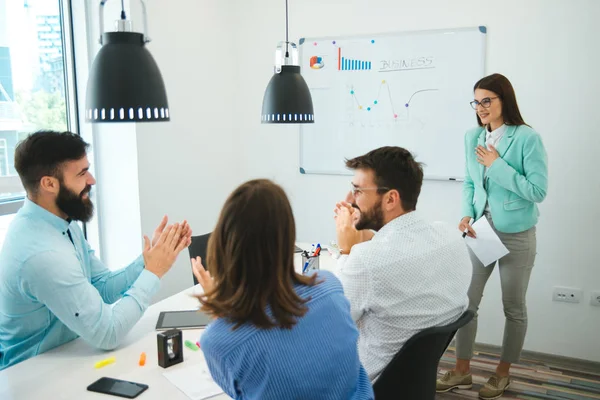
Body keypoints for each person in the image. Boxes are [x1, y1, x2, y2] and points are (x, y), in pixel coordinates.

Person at [0, 130, 191, 370]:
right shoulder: (42, 254)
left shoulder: (58, 223)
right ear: (49, 183)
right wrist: (153, 273)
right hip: (32, 374)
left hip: (69, 356)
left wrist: (148, 260)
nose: (92, 180)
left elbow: (101, 286)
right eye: (81, 173)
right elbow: (107, 334)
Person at [191, 179, 374, 400]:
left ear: (222, 242)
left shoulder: (217, 341)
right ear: (288, 237)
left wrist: (224, 311)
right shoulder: (330, 286)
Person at [436, 73, 548, 399]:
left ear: (504, 101)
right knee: (465, 303)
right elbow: (470, 182)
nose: (481, 107)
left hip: (517, 234)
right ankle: (461, 370)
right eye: (477, 101)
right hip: (480, 231)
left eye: (488, 100)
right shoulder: (472, 135)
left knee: (513, 307)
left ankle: (502, 374)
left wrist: (497, 165)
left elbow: (537, 190)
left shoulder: (527, 138)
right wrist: (465, 213)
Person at [333, 146, 472, 382]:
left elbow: (332, 325)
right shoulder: (450, 237)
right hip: (413, 381)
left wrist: (347, 250)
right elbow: (399, 252)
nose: (349, 200)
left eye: (357, 191)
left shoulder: (366, 260)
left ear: (390, 199)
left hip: (365, 383)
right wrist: (368, 240)